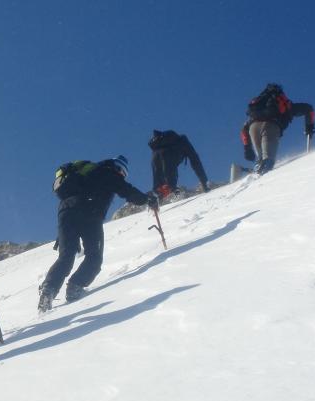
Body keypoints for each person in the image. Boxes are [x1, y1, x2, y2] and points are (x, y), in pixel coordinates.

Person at [39, 155, 157, 312]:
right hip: (90, 212)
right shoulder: (108, 173)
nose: (122, 176)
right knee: (94, 256)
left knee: (66, 256)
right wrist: (147, 199)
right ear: (119, 169)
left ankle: (48, 289)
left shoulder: (85, 175)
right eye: (122, 173)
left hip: (65, 211)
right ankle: (75, 286)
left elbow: (73, 203)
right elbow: (126, 191)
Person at [241, 83, 315, 174]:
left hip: (253, 127)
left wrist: (247, 148)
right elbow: (308, 109)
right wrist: (309, 127)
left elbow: (244, 129)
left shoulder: (258, 106)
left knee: (261, 158)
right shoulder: (284, 103)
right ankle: (264, 180)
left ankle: (258, 171)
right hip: (271, 126)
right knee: (268, 159)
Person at [148, 129, 209, 199]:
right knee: (170, 185)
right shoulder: (183, 142)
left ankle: (152, 199)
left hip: (155, 156)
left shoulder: (161, 144)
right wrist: (204, 182)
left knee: (158, 188)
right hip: (168, 156)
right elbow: (195, 161)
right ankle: (172, 192)